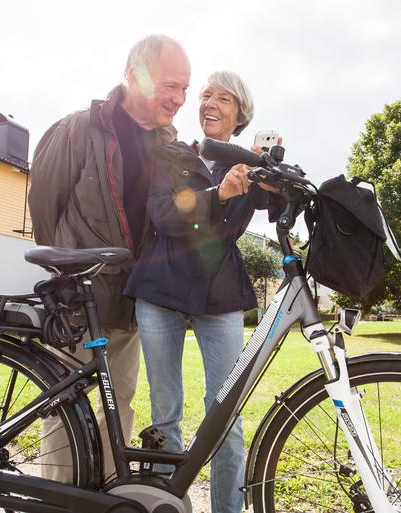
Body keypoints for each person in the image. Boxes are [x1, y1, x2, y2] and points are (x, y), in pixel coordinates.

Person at [27, 34, 190, 482]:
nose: (179, 99)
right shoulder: (78, 130)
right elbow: (44, 209)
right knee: (65, 412)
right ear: (135, 75)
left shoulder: (167, 144)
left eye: (184, 90)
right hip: (80, 302)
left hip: (133, 301)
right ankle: (57, 502)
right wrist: (69, 274)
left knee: (118, 407)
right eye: (170, 85)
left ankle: (99, 497)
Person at [125, 70, 276, 513]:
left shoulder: (249, 165)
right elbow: (164, 214)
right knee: (165, 409)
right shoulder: (172, 154)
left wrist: (273, 166)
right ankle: (166, 504)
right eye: (205, 95)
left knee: (225, 414)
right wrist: (219, 194)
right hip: (161, 288)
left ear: (240, 115)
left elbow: (277, 204)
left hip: (221, 294)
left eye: (223, 98)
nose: (209, 103)